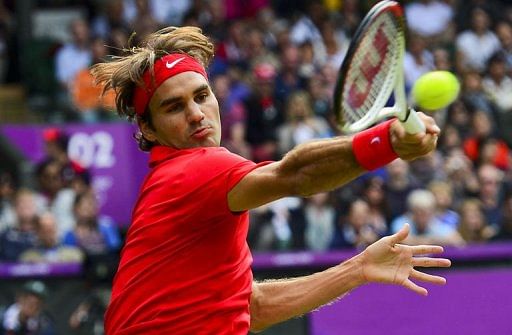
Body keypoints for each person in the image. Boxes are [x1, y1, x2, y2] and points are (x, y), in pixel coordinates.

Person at [91, 26, 450, 334]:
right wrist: (385, 141)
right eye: (174, 107)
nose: (197, 115)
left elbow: (253, 307)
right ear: (147, 128)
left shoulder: (194, 190)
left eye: (202, 96)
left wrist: (358, 268)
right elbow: (294, 174)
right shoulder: (190, 170)